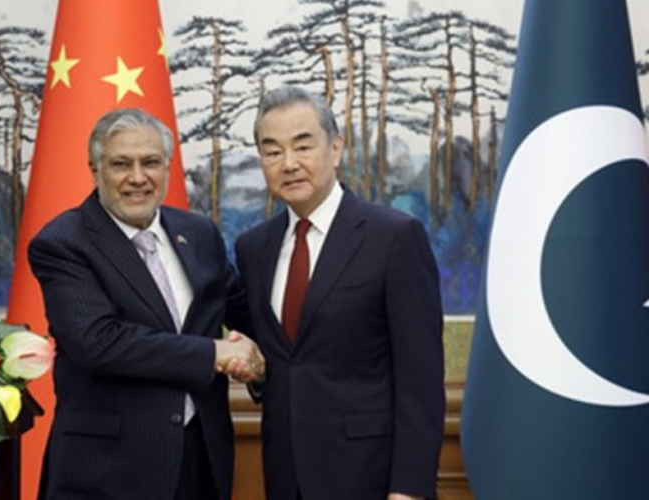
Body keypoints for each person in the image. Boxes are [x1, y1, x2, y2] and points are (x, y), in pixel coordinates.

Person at [28, 107, 264, 500]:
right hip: (108, 472)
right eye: (121, 164)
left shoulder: (199, 234)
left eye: (150, 162)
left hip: (200, 462)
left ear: (167, 167)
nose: (138, 178)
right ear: (95, 170)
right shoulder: (63, 242)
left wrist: (258, 363)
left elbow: (250, 318)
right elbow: (99, 342)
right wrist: (213, 353)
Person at [235, 86, 445, 500]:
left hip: (370, 478)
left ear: (335, 148)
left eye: (303, 146)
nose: (289, 164)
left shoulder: (394, 237)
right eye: (272, 151)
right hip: (285, 477)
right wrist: (257, 373)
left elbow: (420, 380)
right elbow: (284, 364)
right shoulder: (253, 249)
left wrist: (409, 490)